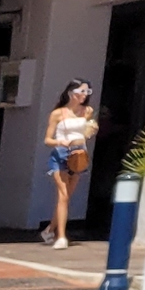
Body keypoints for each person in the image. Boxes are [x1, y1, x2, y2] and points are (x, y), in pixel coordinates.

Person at [40, 79, 95, 250]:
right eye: (83, 91)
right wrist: (59, 142)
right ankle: (61, 236)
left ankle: (49, 229)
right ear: (72, 92)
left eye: (88, 92)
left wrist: (91, 130)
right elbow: (47, 139)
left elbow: (86, 132)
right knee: (62, 195)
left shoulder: (87, 111)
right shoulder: (58, 113)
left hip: (79, 154)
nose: (85, 96)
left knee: (67, 197)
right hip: (61, 154)